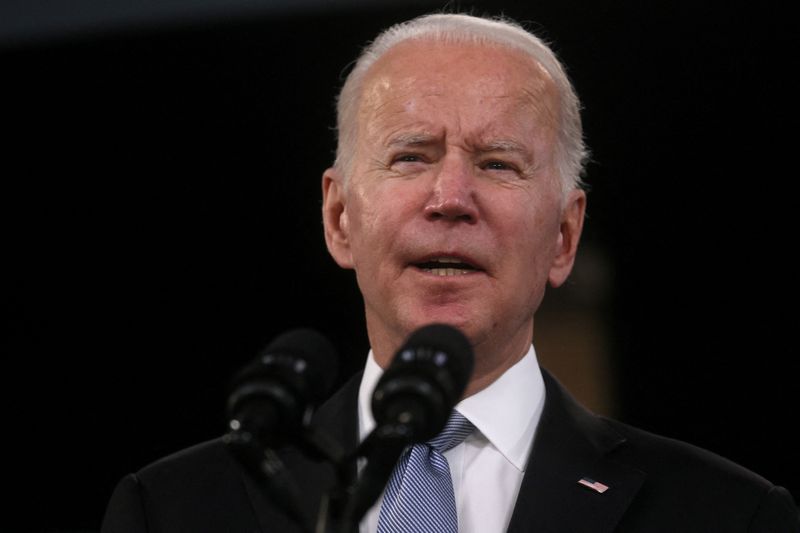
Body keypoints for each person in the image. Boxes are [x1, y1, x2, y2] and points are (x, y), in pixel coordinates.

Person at [100, 12, 800, 533]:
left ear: (563, 236)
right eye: (411, 155)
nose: (450, 198)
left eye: (497, 163)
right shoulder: (173, 508)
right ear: (339, 217)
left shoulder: (727, 514)